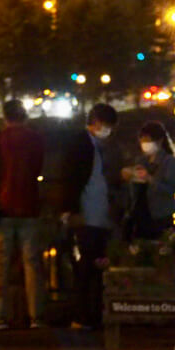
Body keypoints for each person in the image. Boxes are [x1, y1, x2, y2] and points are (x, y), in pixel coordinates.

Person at [0, 99, 47, 329]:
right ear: (25, 116)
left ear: (5, 117)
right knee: (32, 263)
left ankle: (0, 315)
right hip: (29, 205)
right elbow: (38, 168)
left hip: (2, 208)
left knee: (0, 263)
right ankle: (36, 315)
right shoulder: (36, 138)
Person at [61, 103, 121, 331]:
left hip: (97, 215)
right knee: (87, 267)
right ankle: (84, 314)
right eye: (106, 126)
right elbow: (71, 177)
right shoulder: (82, 145)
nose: (108, 131)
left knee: (93, 266)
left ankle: (91, 313)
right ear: (96, 122)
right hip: (88, 216)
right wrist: (71, 210)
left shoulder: (96, 146)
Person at [122, 120, 175, 240]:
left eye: (148, 140)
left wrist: (150, 179)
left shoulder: (169, 162)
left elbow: (171, 189)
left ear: (159, 141)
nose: (144, 144)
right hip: (139, 215)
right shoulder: (141, 160)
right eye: (142, 140)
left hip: (160, 215)